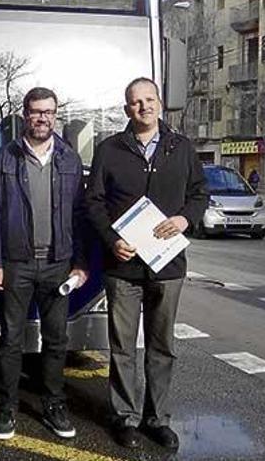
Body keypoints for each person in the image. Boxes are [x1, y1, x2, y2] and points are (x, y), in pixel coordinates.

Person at [85, 77, 207, 450]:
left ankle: (157, 419)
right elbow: (93, 203)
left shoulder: (181, 148)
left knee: (161, 345)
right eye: (136, 102)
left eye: (149, 100)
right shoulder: (109, 149)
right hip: (122, 267)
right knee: (122, 347)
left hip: (167, 267)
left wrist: (186, 219)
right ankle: (124, 417)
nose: (144, 107)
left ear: (159, 104)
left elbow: (200, 193)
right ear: (127, 109)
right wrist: (112, 240)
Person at [0, 87, 88, 441]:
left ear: (55, 115)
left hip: (58, 265)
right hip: (16, 263)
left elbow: (79, 215)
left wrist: (80, 263)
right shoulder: (4, 157)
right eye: (35, 111)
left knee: (57, 340)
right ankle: (7, 407)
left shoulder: (69, 158)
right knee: (11, 339)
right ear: (25, 115)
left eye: (48, 112)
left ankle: (53, 404)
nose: (42, 117)